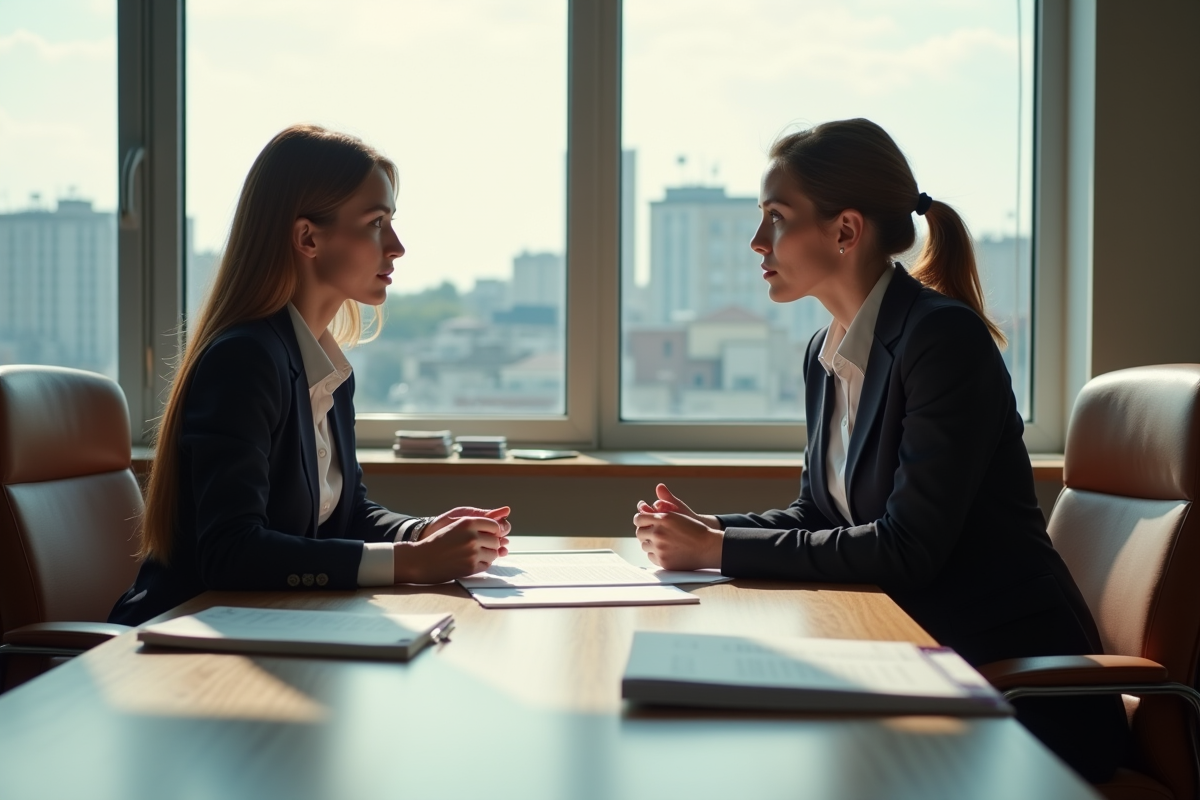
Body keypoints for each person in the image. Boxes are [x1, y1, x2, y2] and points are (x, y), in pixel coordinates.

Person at [632, 119, 1127, 782]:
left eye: (776, 218)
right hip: (909, 661)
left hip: (1008, 688)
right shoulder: (826, 350)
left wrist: (717, 551)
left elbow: (906, 548)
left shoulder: (941, 340)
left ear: (845, 230)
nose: (757, 242)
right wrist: (709, 530)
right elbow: (819, 515)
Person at [110, 125, 510, 626]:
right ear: (307, 237)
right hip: (179, 643)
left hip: (268, 627)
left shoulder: (324, 366)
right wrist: (412, 563)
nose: (397, 246)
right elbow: (231, 551)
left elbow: (345, 513)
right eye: (375, 223)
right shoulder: (244, 360)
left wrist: (419, 532)